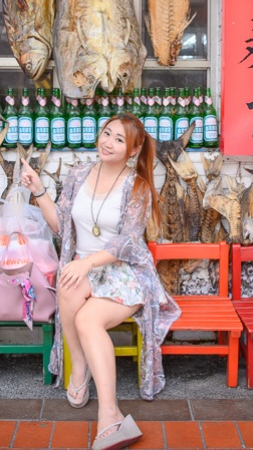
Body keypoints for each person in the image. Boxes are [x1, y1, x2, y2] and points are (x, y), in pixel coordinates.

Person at [20, 113, 180, 450]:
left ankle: (110, 415)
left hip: (126, 273)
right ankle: (80, 367)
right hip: (86, 270)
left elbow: (128, 242)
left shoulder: (136, 186)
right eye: (106, 133)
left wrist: (88, 262)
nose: (108, 142)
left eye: (119, 139)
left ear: (133, 150)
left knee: (87, 318)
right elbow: (62, 225)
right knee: (67, 281)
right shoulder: (79, 174)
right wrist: (38, 190)